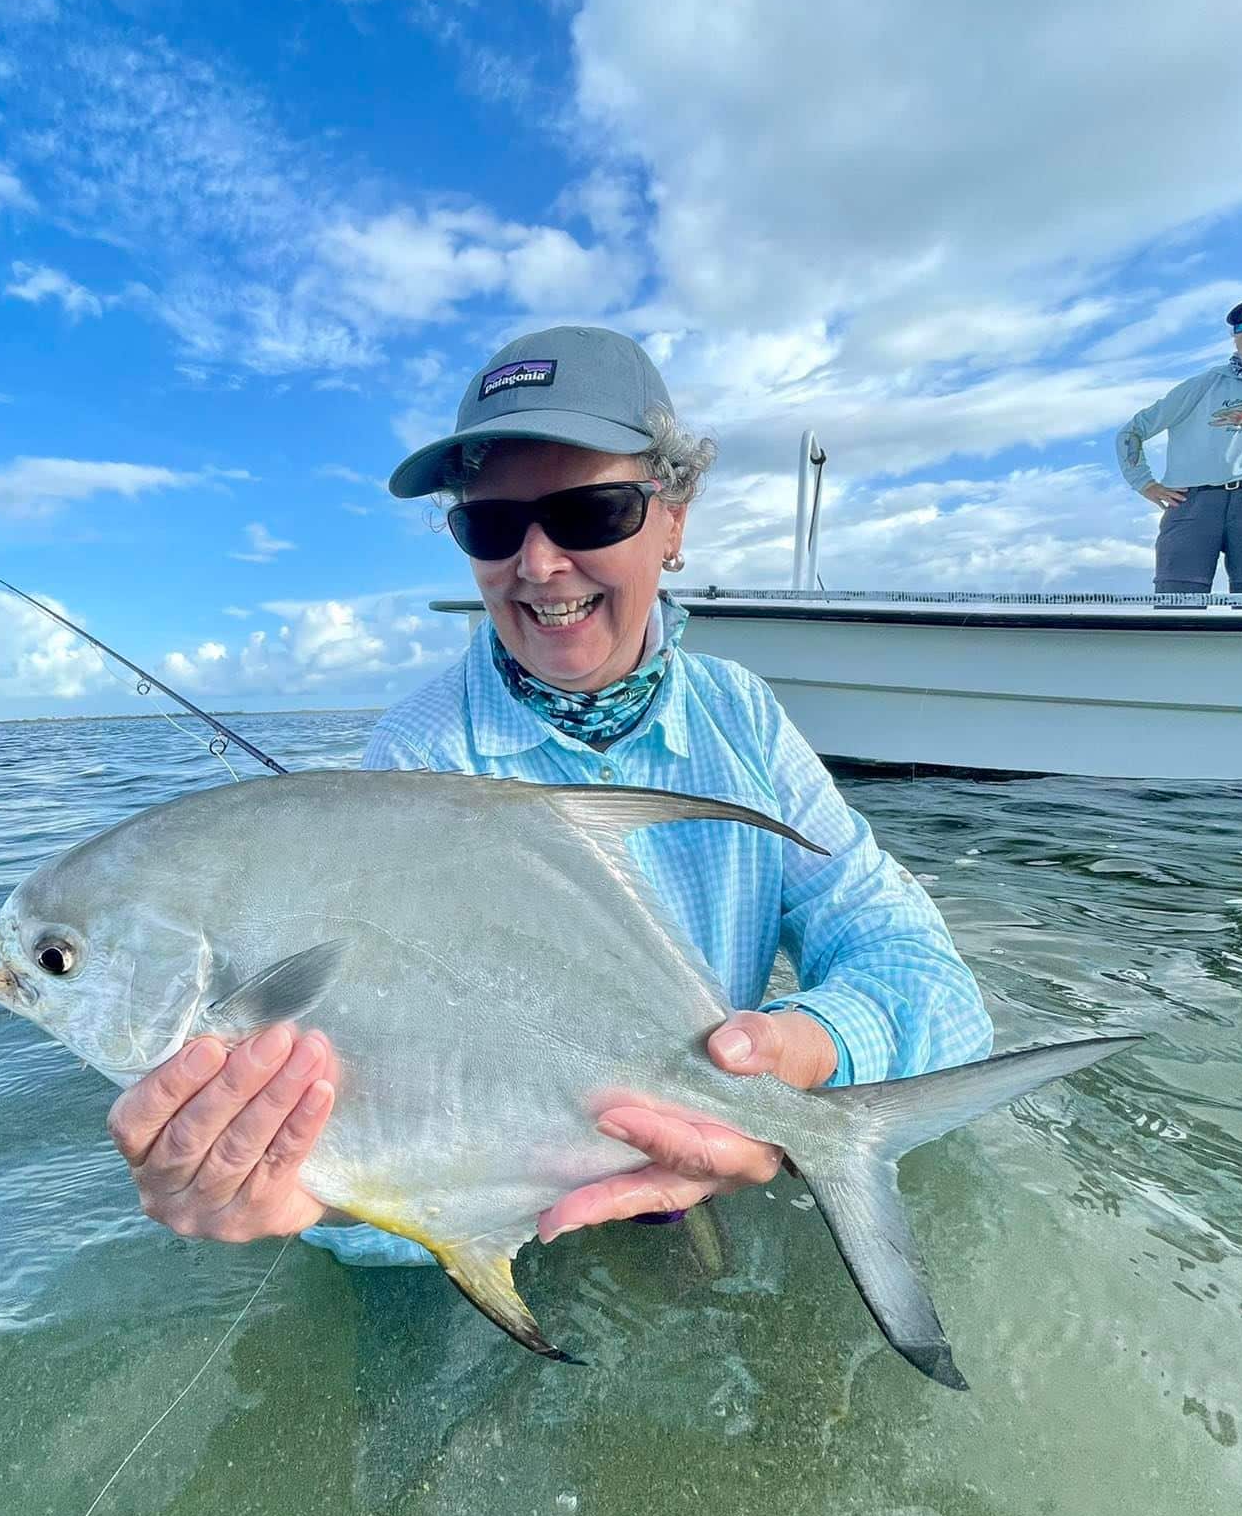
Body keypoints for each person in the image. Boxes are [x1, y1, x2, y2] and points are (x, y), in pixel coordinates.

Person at [107, 326, 994, 1264]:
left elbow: (930, 982)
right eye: (490, 526)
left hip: (722, 1166)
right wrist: (313, 1195)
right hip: (506, 1240)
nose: (535, 563)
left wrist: (801, 1055)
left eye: (592, 513)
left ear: (675, 521)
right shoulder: (420, 758)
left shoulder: (742, 720)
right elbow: (387, 1104)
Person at [1114, 290, 1242, 595]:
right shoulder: (1204, 384)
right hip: (1192, 503)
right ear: (1234, 337)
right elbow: (1132, 432)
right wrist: (1144, 482)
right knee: (1177, 599)